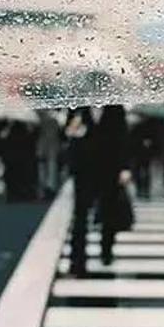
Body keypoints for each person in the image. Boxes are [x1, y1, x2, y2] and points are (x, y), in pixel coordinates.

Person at [66, 105, 130, 276]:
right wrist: (73, 130)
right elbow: (67, 134)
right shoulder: (77, 107)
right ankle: (77, 259)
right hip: (84, 170)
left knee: (109, 212)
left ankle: (106, 250)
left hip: (109, 168)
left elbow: (123, 138)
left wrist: (124, 167)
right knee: (80, 215)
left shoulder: (115, 109)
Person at [36, 109, 62, 199]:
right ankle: (48, 188)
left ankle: (48, 188)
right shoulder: (52, 118)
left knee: (48, 168)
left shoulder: (41, 119)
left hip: (48, 147)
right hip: (48, 147)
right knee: (48, 168)